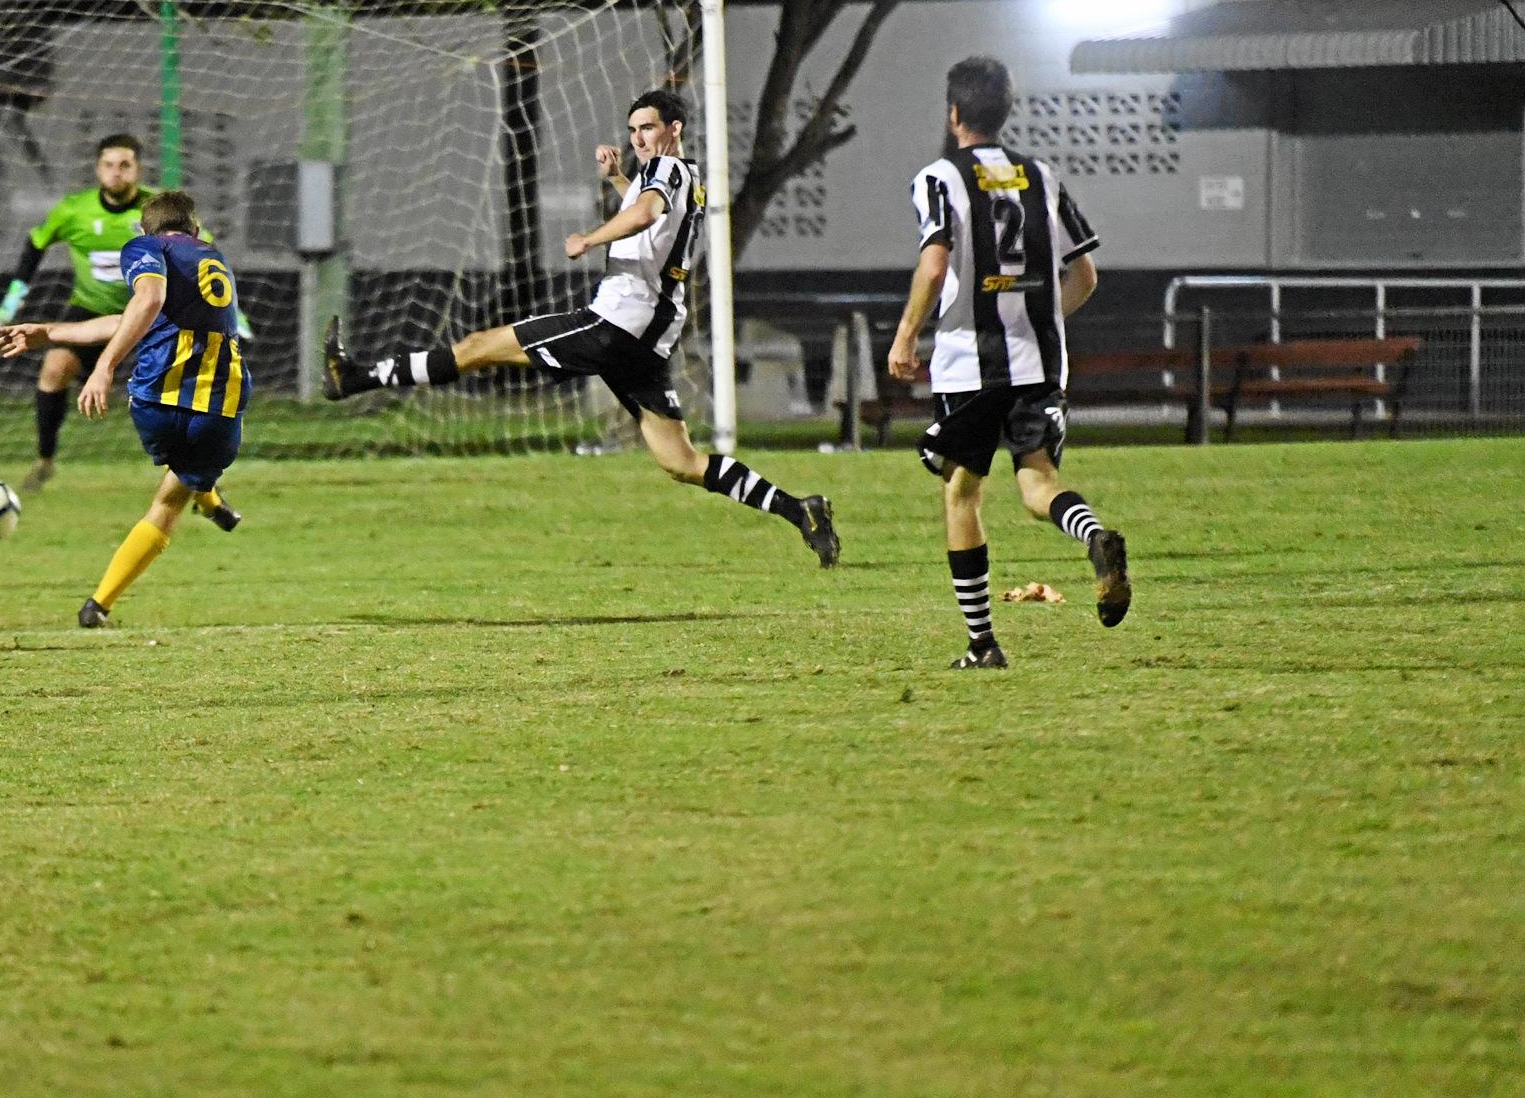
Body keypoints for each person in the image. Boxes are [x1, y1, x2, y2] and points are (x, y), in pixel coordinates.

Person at [321, 88, 838, 569]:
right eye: (633, 129)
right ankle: (801, 510)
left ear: (674, 128)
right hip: (646, 341)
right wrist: (618, 180)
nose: (638, 138)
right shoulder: (684, 175)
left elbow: (644, 216)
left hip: (613, 325)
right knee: (680, 462)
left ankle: (356, 378)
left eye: (648, 128)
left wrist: (588, 239)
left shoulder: (667, 171)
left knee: (477, 348)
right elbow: (651, 217)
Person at [887, 55, 1129, 670]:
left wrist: (907, 334)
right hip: (1040, 361)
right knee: (1037, 484)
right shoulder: (1041, 176)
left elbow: (936, 263)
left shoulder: (938, 177)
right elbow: (1087, 275)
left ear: (954, 113)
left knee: (963, 493)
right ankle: (1094, 536)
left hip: (972, 367)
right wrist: (1039, 322)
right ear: (1005, 111)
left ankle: (983, 644)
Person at [0, 189, 246, 627]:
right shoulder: (214, 259)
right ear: (196, 229)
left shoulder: (144, 246)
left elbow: (144, 303)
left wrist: (103, 367)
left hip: (156, 402)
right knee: (173, 497)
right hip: (221, 407)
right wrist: (53, 332)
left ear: (144, 229)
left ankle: (201, 497)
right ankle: (100, 604)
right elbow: (136, 313)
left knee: (176, 474)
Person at [0, 133, 147, 493]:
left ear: (138, 170)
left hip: (148, 311)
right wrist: (12, 299)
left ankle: (198, 473)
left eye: (125, 165)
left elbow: (202, 246)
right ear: (97, 169)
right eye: (108, 165)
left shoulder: (156, 210)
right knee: (54, 368)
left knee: (181, 383)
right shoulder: (74, 210)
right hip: (91, 311)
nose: (116, 173)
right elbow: (35, 243)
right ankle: (44, 461)